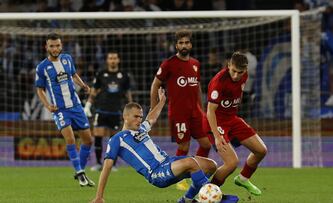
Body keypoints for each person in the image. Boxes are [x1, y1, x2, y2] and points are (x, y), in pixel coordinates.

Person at [91, 88, 217, 203]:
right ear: (125, 117)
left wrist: (161, 102)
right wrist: (99, 196)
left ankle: (186, 200)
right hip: (156, 172)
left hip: (168, 162)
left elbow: (151, 118)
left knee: (211, 165)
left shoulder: (141, 129)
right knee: (191, 162)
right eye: (136, 116)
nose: (139, 120)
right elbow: (107, 167)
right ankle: (214, 196)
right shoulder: (117, 139)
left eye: (140, 117)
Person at [150, 29, 212, 190]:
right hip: (179, 113)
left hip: (196, 112)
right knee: (184, 147)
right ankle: (179, 178)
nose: (184, 45)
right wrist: (152, 108)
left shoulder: (196, 64)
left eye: (187, 42)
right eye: (181, 43)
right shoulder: (169, 64)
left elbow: (197, 86)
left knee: (206, 144)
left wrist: (202, 109)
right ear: (176, 45)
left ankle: (198, 172)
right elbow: (155, 84)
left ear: (191, 44)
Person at [35, 33, 95, 187]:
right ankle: (80, 173)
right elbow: (40, 90)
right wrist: (48, 106)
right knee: (70, 139)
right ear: (46, 47)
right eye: (52, 46)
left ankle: (80, 170)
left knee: (88, 140)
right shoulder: (42, 67)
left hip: (76, 106)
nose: (55, 49)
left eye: (57, 45)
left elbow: (73, 74)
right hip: (60, 109)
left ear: (61, 46)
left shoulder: (67, 58)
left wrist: (82, 85)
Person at [203, 52, 267, 196]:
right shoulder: (218, 82)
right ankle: (207, 194)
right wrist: (217, 136)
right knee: (231, 163)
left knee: (261, 150)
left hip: (232, 119)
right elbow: (210, 112)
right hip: (216, 122)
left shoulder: (244, 75)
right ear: (228, 66)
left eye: (240, 72)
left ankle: (243, 178)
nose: (237, 75)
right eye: (234, 71)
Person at [83, 51, 133, 171]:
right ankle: (99, 163)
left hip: (116, 111)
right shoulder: (101, 74)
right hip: (101, 109)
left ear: (118, 60)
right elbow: (94, 91)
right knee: (98, 136)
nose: (112, 60)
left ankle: (113, 164)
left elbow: (127, 94)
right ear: (107, 60)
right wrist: (88, 105)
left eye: (114, 58)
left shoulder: (124, 75)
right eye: (110, 58)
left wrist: (131, 108)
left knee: (114, 139)